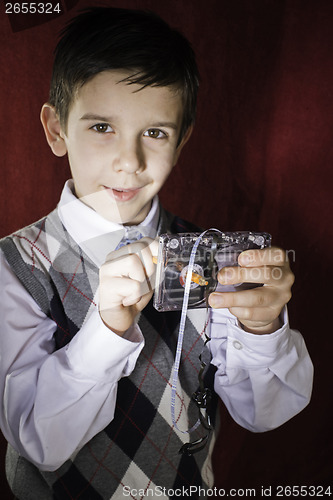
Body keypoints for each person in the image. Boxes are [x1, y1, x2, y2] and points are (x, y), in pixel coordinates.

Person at [0, 7, 313, 500]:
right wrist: (106, 332)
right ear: (57, 130)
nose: (130, 161)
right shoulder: (14, 268)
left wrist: (263, 329)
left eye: (155, 132)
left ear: (182, 138)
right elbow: (38, 442)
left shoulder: (215, 260)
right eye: (102, 127)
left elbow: (264, 414)